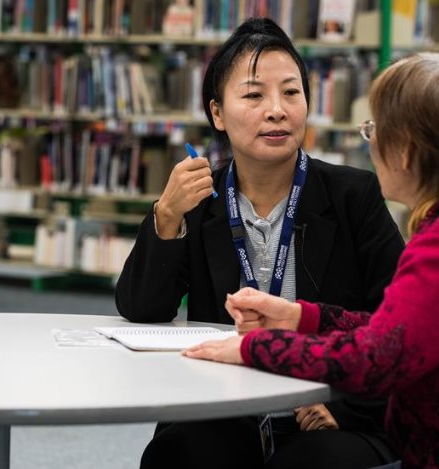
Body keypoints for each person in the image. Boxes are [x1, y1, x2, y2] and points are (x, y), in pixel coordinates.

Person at [185, 52, 439, 468]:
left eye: (373, 130)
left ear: (406, 151)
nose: (370, 144)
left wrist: (255, 347)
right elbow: (403, 330)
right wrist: (303, 318)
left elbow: (373, 361)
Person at [115, 17, 404, 469]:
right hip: (225, 406)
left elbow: (399, 324)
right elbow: (142, 309)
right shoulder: (199, 200)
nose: (277, 110)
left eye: (291, 92)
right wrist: (166, 215)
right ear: (217, 113)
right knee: (177, 455)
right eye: (254, 95)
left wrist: (347, 409)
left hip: (327, 403)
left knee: (310, 462)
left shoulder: (354, 195)